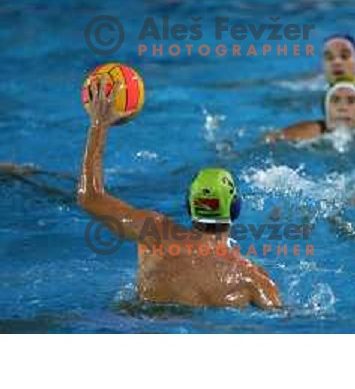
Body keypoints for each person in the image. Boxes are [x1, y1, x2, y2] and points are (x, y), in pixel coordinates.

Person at [78, 76, 281, 309]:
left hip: (133, 323)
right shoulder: (251, 278)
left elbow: (89, 196)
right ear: (235, 207)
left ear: (189, 205)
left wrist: (98, 125)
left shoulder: (154, 231)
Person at [265, 78, 355, 142]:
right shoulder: (310, 132)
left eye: (351, 101)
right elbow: (270, 138)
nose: (342, 107)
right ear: (325, 110)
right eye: (335, 100)